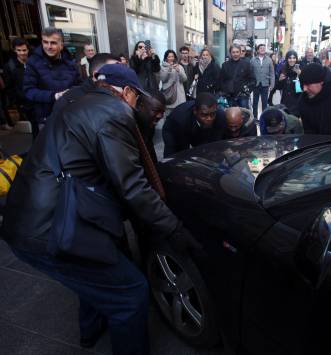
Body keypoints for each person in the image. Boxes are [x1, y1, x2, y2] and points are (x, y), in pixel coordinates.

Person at [1, 63, 200, 355]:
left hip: (27, 218)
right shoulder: (113, 113)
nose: (139, 107)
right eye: (139, 99)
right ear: (128, 92)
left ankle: (90, 332)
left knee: (94, 279)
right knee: (129, 294)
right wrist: (175, 228)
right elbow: (133, 187)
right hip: (50, 227)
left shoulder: (78, 102)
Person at [23, 26, 80, 135]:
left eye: (53, 43)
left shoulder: (70, 62)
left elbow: (79, 85)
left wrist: (72, 94)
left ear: (61, 45)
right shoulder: (33, 62)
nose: (48, 46)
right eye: (45, 42)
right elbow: (28, 91)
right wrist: (54, 96)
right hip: (46, 119)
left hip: (70, 116)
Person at [162, 92, 226, 157]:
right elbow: (183, 150)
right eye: (204, 115)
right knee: (173, 157)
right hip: (173, 130)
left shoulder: (221, 116)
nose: (209, 118)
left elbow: (216, 143)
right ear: (195, 111)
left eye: (212, 114)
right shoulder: (181, 119)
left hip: (196, 128)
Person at [4, 38, 31, 132]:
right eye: (19, 50)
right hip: (24, 102)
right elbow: (9, 87)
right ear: (15, 50)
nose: (22, 53)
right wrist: (17, 102)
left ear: (28, 50)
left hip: (37, 99)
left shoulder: (33, 63)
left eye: (24, 50)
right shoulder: (10, 66)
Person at [250, 44, 275, 119]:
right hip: (256, 84)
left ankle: (264, 118)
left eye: (264, 48)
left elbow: (272, 73)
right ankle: (255, 118)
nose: (262, 49)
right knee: (255, 103)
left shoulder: (269, 60)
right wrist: (251, 83)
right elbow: (250, 72)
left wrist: (272, 84)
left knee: (264, 103)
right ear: (257, 50)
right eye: (261, 48)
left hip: (265, 84)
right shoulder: (253, 60)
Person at [274, 50, 302, 116]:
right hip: (285, 102)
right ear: (287, 59)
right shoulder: (283, 69)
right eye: (290, 58)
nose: (292, 60)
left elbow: (301, 89)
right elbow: (278, 87)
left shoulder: (300, 70)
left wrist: (300, 75)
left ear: (296, 59)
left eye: (294, 58)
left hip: (296, 103)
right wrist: (279, 80)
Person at [159, 49, 187, 114]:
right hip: (169, 95)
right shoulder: (162, 67)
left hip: (179, 96)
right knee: (169, 116)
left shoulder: (179, 66)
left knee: (180, 115)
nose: (171, 58)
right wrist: (169, 70)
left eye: (172, 56)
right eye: (169, 57)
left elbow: (185, 79)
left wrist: (179, 71)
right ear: (166, 58)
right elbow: (163, 79)